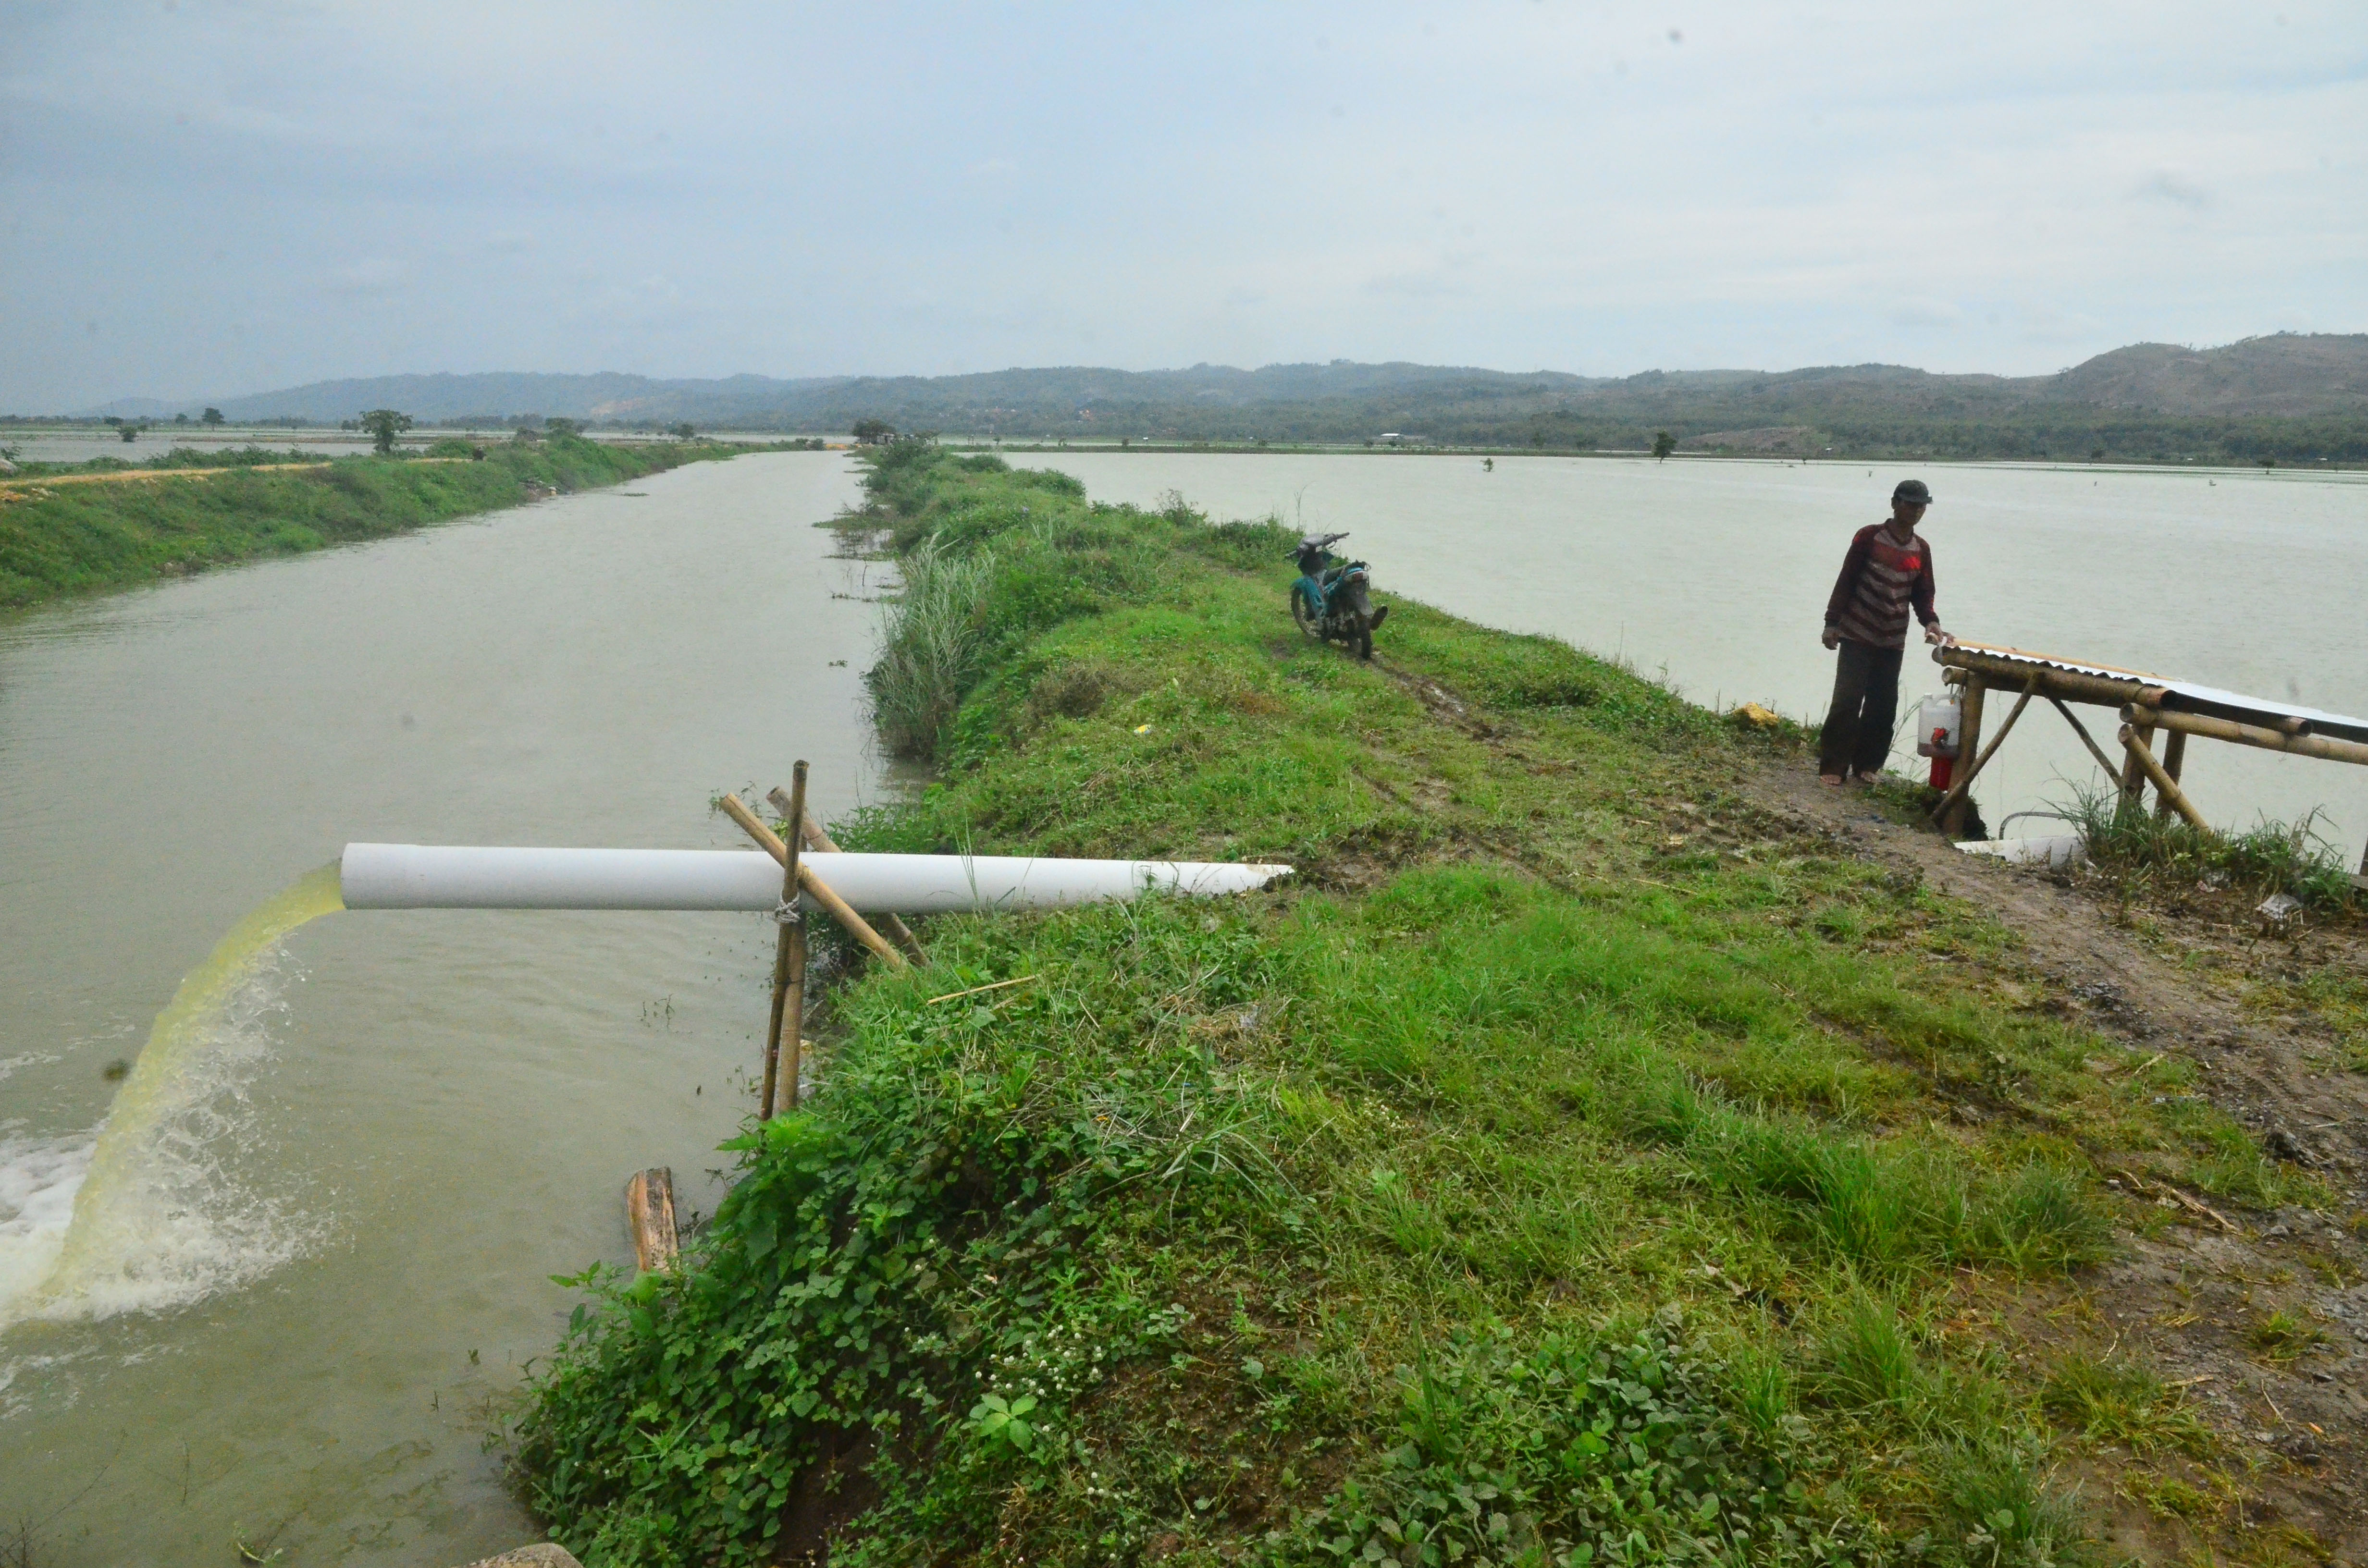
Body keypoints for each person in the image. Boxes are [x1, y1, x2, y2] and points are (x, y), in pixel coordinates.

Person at [1818, 478, 1950, 786]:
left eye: (1922, 506)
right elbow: (1846, 580)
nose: (1916, 511)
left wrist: (1931, 621)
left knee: (1883, 705)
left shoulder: (1922, 549)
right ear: (1894, 504)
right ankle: (1833, 767)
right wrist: (1831, 623)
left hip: (1892, 640)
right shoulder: (1868, 537)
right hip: (1857, 633)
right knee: (1847, 701)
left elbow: (1923, 593)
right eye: (1910, 504)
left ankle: (1867, 765)